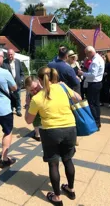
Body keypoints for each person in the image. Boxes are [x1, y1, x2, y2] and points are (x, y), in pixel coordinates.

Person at [25, 67, 81, 205]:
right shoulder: (62, 87)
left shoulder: (37, 98)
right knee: (68, 160)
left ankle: (57, 197)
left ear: (39, 80)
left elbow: (28, 120)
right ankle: (71, 189)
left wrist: (28, 104)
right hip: (70, 128)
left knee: (53, 164)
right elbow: (79, 98)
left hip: (50, 132)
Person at [78, 46, 105, 130]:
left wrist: (82, 73)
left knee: (92, 104)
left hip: (94, 84)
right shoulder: (98, 58)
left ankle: (96, 123)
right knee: (96, 104)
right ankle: (97, 122)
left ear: (90, 52)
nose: (86, 56)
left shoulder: (95, 61)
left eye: (86, 54)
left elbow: (93, 75)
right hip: (97, 83)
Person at [1, 49, 24, 117]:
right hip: (8, 85)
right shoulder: (4, 63)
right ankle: (10, 110)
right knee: (9, 97)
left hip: (18, 84)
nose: (10, 56)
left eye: (11, 54)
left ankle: (18, 110)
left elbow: (22, 72)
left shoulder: (18, 62)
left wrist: (21, 80)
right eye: (9, 54)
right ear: (7, 55)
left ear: (14, 54)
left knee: (18, 97)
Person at [24, 76, 42, 141]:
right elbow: (29, 119)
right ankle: (38, 134)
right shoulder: (30, 96)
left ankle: (38, 133)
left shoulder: (44, 90)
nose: (34, 91)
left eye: (36, 88)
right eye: (31, 90)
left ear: (39, 83)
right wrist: (28, 105)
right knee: (34, 115)